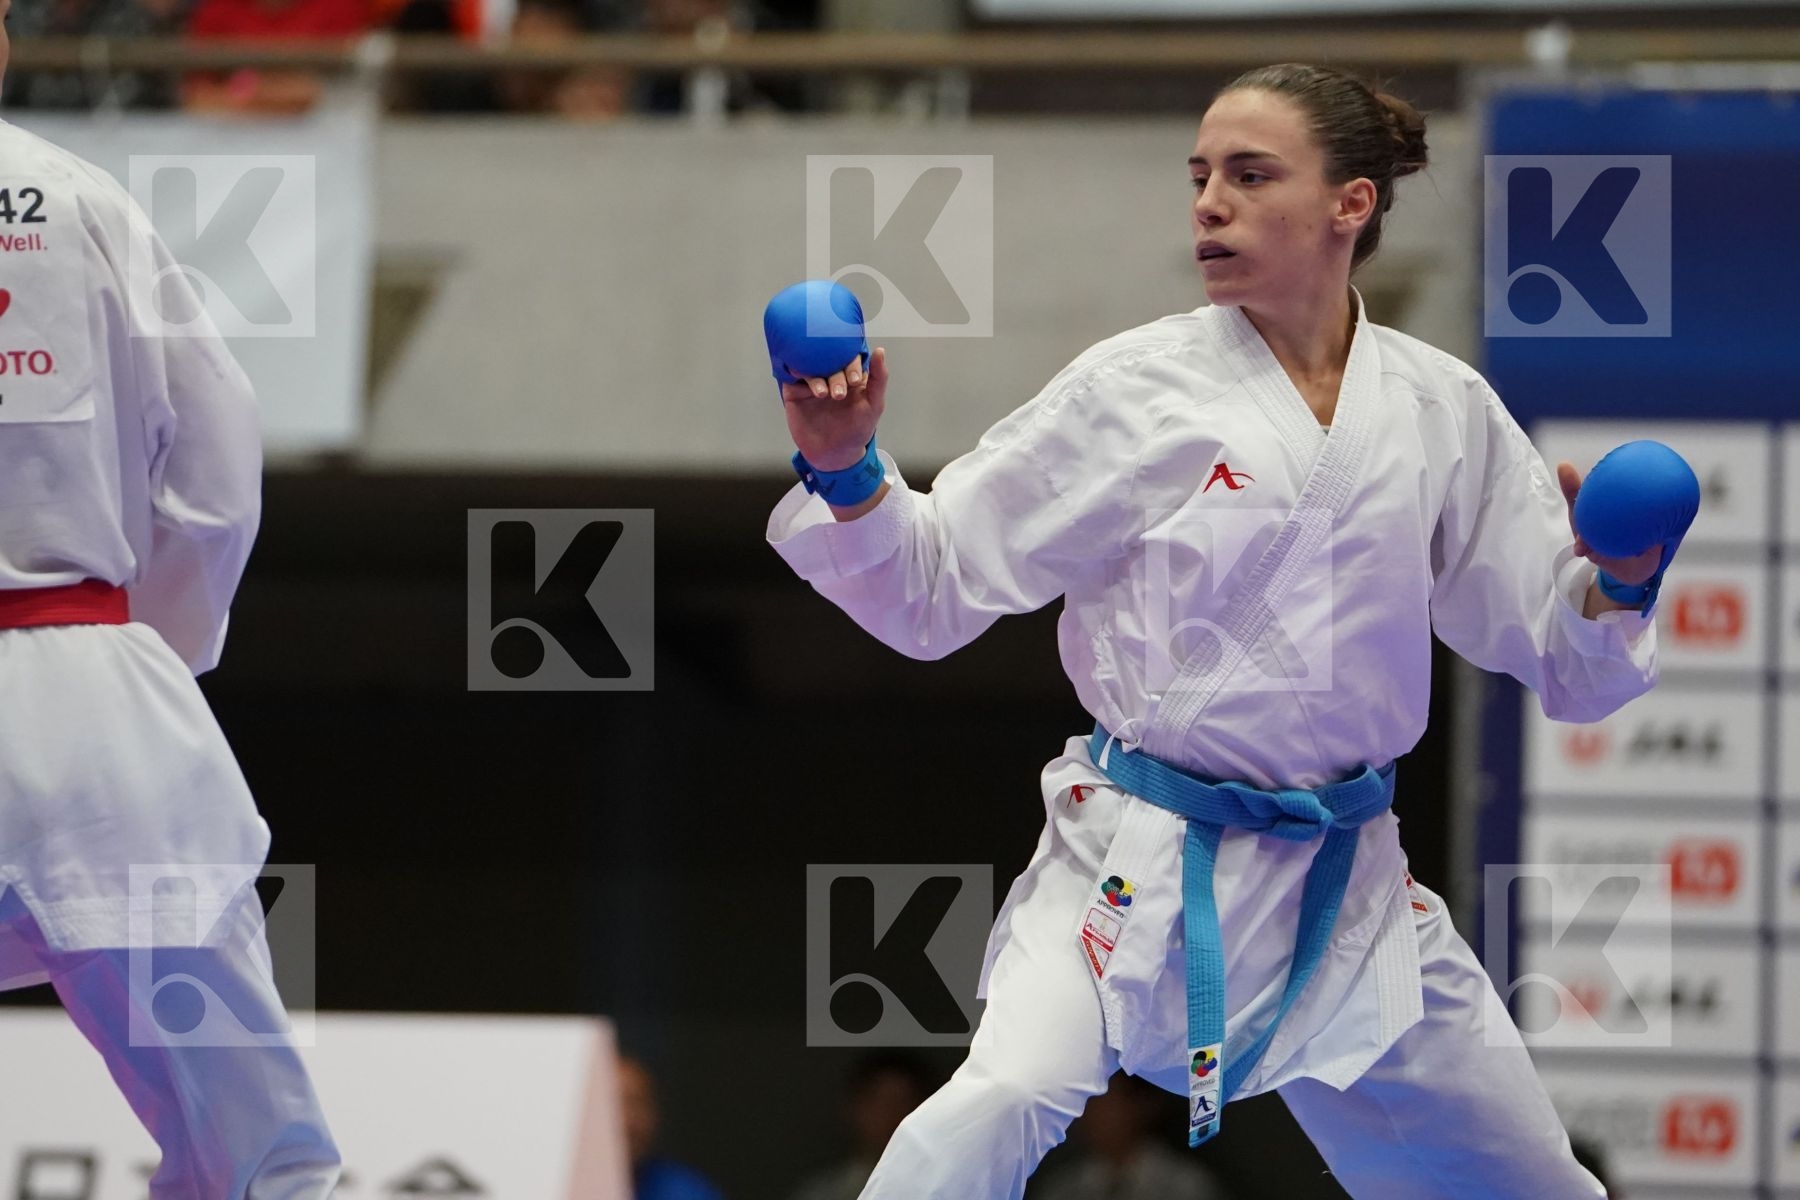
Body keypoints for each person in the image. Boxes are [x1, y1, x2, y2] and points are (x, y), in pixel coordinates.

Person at [767, 63, 1672, 1199]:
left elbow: (1556, 645)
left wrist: (1620, 587)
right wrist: (846, 468)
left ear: (1352, 203)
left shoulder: (1442, 409)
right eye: (1200, 176)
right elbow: (934, 586)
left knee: (1529, 1181)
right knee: (1001, 1101)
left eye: (1250, 175)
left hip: (1346, 885)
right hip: (1138, 857)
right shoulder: (1135, 391)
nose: (1209, 202)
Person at [0, 4, 342, 1194]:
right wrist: (151, 651)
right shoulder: (82, 203)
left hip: (87, 667)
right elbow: (212, 464)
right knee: (258, 1157)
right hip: (94, 714)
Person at [1035, 1072, 1230, 1200]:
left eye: (1103, 1101)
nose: (1089, 1113)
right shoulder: (1062, 1189)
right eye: (1084, 1101)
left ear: (1142, 1104)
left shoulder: (1186, 1187)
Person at [786, 1052, 942, 1200]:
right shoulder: (824, 1193)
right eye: (881, 1103)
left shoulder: (948, 1186)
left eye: (905, 1101)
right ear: (855, 1108)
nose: (893, 1114)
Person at [619, 1055, 728, 1200]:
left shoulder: (683, 1191)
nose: (629, 1120)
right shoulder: (580, 1179)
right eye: (618, 1104)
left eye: (638, 1104)